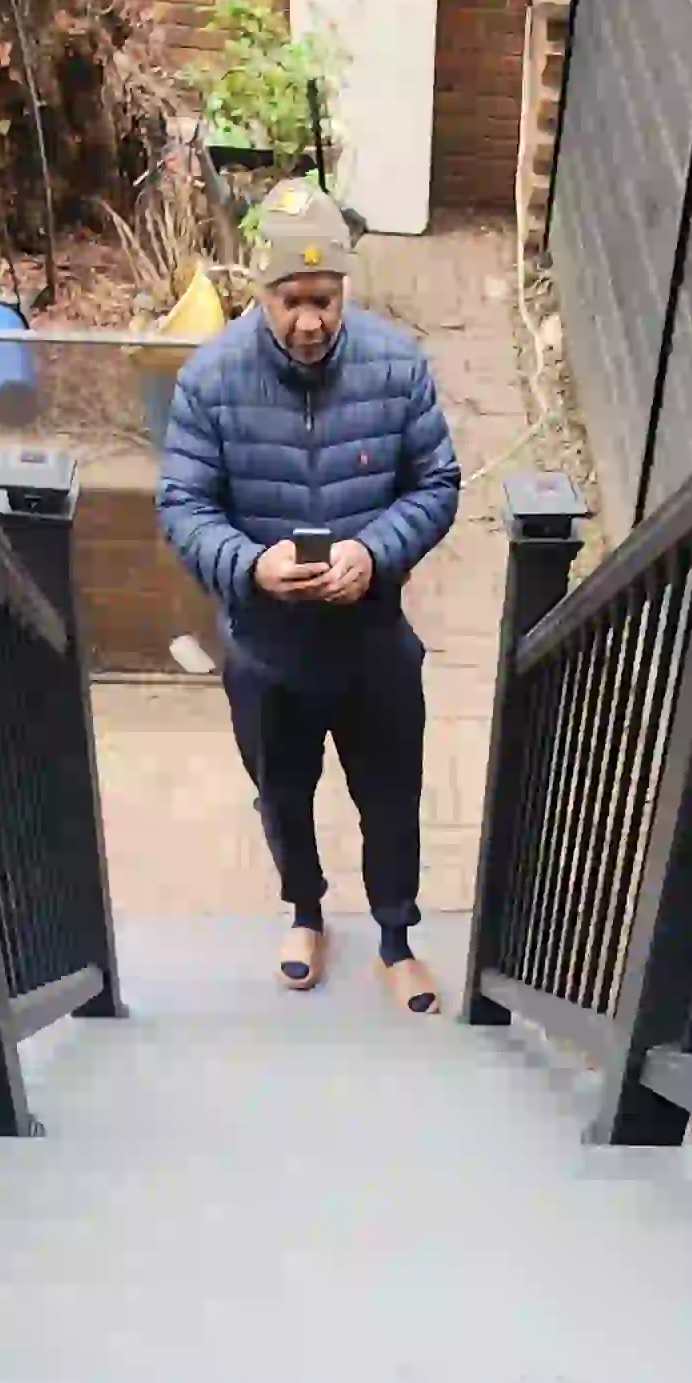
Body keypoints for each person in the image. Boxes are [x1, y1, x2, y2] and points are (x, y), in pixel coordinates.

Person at [155, 184, 462, 1011]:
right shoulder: (210, 379)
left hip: (372, 642)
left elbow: (436, 484)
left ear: (344, 290)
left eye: (324, 300)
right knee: (283, 796)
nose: (309, 321)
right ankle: (305, 914)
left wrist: (374, 552)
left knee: (390, 798)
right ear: (263, 292)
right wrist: (250, 565)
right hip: (266, 649)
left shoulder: (397, 367)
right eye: (291, 300)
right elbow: (183, 504)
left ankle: (396, 937)